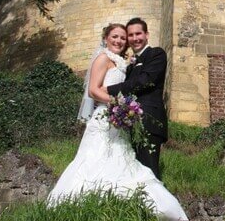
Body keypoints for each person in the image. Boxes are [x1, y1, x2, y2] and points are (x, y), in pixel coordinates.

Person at [47, 23, 188, 221]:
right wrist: (119, 102)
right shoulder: (103, 58)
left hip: (120, 120)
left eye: (123, 38)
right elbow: (93, 91)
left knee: (122, 161)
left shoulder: (126, 62)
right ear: (106, 38)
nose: (119, 41)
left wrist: (119, 103)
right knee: (93, 159)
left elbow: (136, 82)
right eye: (116, 36)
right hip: (105, 117)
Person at [103, 17, 168, 180]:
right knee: (133, 174)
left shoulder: (156, 54)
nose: (134, 38)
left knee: (149, 172)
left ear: (147, 34)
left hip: (149, 120)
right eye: (130, 35)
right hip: (129, 122)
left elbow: (145, 81)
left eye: (138, 33)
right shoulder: (131, 64)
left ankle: (156, 205)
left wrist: (109, 90)